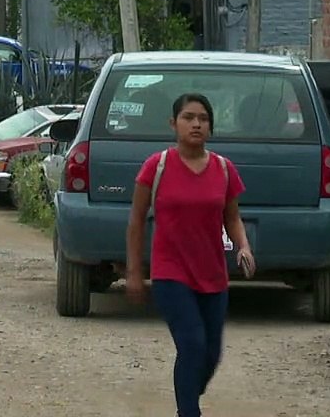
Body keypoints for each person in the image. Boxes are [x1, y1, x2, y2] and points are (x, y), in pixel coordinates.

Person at [125, 92, 255, 417]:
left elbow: (232, 217)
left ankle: (187, 394)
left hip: (212, 274)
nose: (196, 124)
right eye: (188, 117)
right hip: (171, 273)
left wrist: (243, 246)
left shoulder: (224, 169)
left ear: (210, 127)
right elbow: (137, 221)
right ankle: (188, 412)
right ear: (174, 124)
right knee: (192, 344)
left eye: (203, 118)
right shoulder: (157, 167)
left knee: (210, 354)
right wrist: (134, 272)